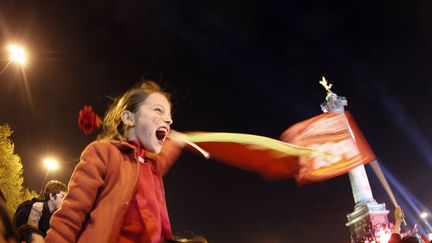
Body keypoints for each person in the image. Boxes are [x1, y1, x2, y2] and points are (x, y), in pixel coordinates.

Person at [45, 81, 184, 243]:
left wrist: (178, 142)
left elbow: (165, 155)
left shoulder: (151, 166)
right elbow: (71, 215)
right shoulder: (103, 153)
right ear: (128, 118)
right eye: (159, 110)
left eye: (170, 116)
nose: (169, 120)